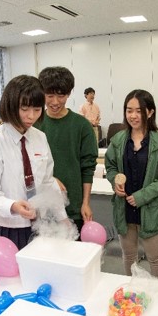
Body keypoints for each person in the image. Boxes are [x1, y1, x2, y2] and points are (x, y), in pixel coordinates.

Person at [0, 75, 68, 249]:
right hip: (9, 227)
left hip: (40, 223)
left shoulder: (40, 137)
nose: (31, 116)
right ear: (11, 105)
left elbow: (48, 182)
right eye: (25, 109)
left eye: (37, 110)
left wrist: (62, 217)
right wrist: (13, 206)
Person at [105, 90, 158, 278]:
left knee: (155, 258)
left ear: (150, 112)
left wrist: (142, 196)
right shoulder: (118, 141)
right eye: (129, 110)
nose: (133, 115)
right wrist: (114, 181)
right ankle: (132, 293)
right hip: (124, 209)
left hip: (150, 210)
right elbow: (110, 167)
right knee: (128, 255)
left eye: (139, 111)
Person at [37, 66, 98, 233]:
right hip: (39, 206)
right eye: (49, 96)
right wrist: (49, 178)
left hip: (73, 206)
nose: (55, 102)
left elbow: (88, 168)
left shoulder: (82, 126)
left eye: (61, 95)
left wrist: (85, 203)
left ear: (69, 93)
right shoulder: (34, 124)